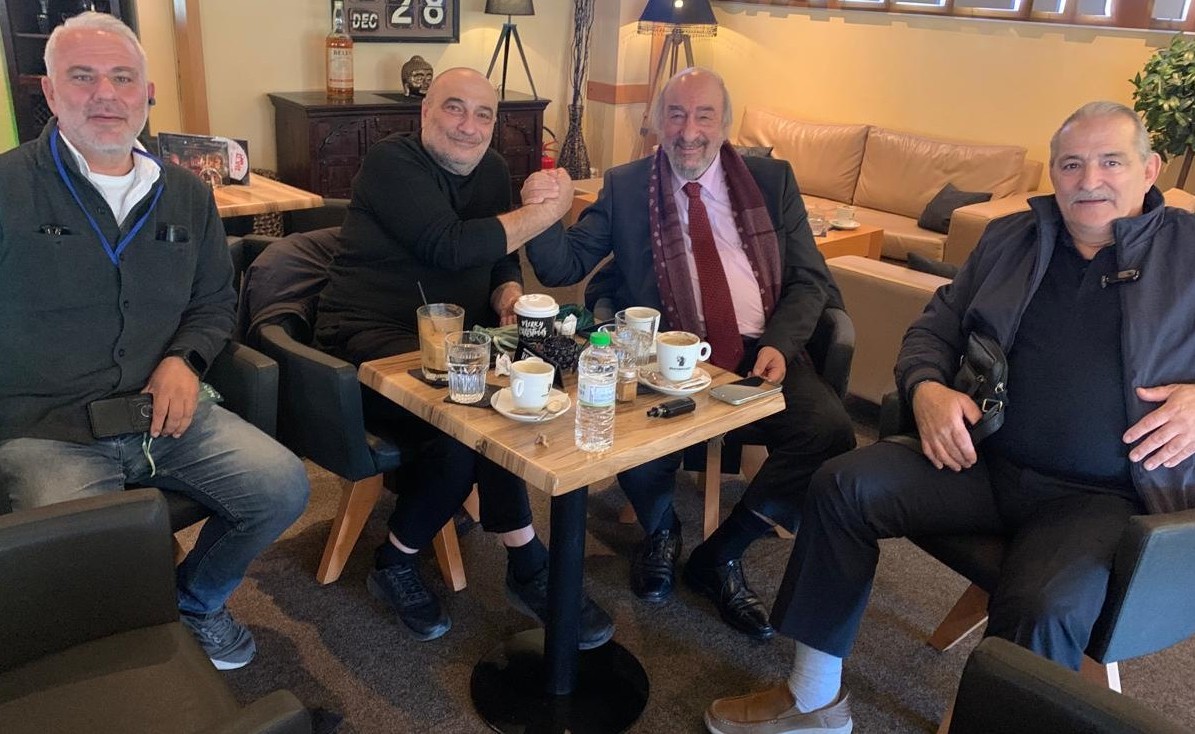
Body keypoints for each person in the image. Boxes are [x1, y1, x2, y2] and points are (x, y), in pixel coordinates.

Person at [703, 100, 1195, 733]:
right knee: (842, 485)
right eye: (1071, 164)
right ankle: (813, 701)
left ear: (1150, 170)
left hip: (1104, 496)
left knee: (1043, 605)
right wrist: (927, 389)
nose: (1089, 180)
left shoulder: (1188, 250)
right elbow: (933, 329)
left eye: (1111, 162)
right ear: (1053, 171)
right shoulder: (1012, 238)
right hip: (982, 459)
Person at [0, 12, 309, 671]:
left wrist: (184, 360)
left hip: (163, 414)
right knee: (83, 569)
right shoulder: (7, 189)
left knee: (282, 487)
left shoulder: (187, 194)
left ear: (147, 93)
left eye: (122, 78)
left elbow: (214, 300)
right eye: (82, 77)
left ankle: (195, 603)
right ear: (49, 92)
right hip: (48, 428)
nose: (105, 95)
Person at [524, 67, 856, 640]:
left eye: (704, 116)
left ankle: (721, 555)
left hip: (759, 353)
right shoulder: (628, 186)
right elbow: (563, 266)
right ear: (657, 122)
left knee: (829, 432)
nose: (688, 131)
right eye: (675, 115)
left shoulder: (771, 181)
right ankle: (661, 530)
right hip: (664, 356)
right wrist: (542, 211)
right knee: (622, 430)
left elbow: (809, 281)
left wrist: (779, 344)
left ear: (725, 124)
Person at [314, 67, 614, 647]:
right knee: (471, 424)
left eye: (483, 115)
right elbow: (449, 246)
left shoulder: (492, 170)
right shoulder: (390, 163)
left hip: (459, 346)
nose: (468, 126)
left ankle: (503, 559)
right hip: (365, 340)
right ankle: (473, 561)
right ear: (425, 112)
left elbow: (499, 254)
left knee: (506, 408)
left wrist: (507, 292)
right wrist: (549, 212)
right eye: (454, 108)